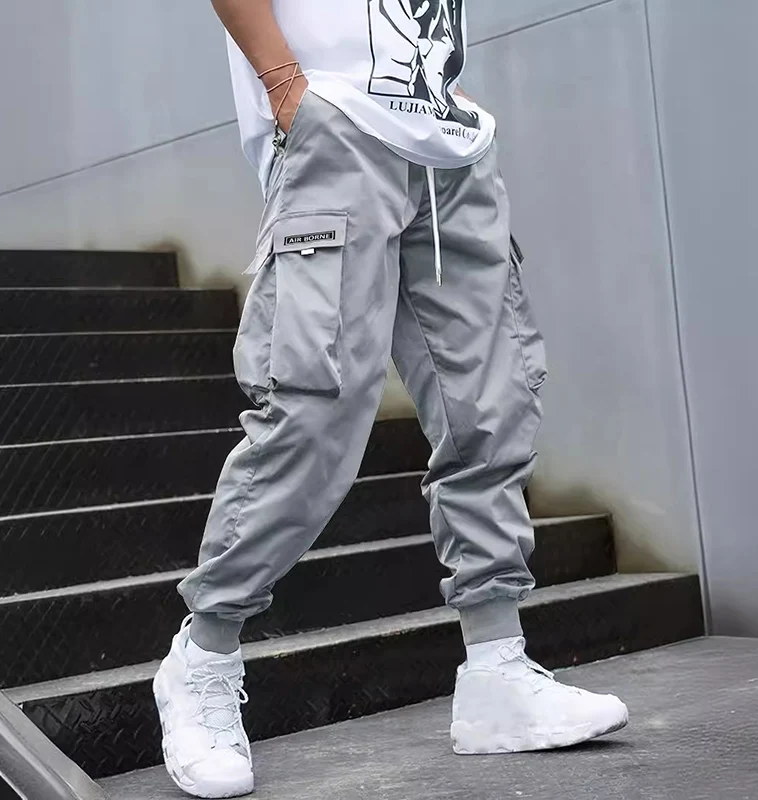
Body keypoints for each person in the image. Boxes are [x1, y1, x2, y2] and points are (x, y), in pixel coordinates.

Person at [153, 1, 629, 796]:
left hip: (449, 141)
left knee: (491, 405)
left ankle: (497, 667)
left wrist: (445, 87)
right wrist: (285, 86)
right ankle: (202, 659)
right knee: (312, 408)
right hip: (336, 125)